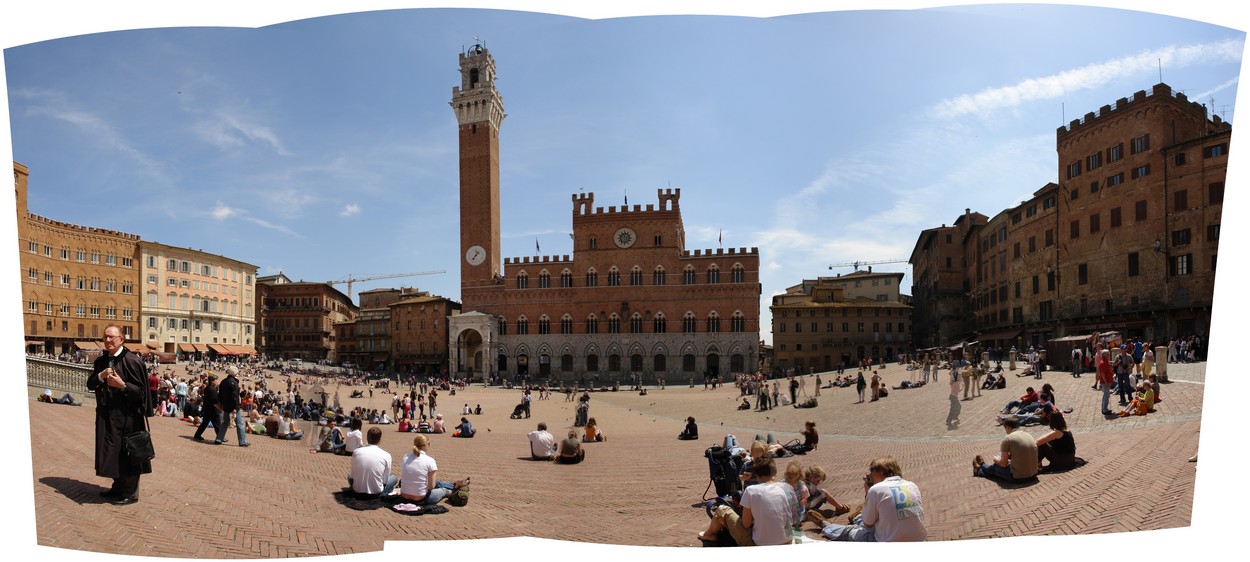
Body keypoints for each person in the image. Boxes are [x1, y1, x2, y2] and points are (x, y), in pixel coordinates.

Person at [86, 325, 152, 505]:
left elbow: (143, 394)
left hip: (128, 418)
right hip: (107, 416)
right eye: (105, 337)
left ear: (121, 340)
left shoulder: (132, 361)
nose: (108, 340)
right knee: (112, 453)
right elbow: (90, 384)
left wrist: (123, 385)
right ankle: (118, 487)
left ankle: (130, 493)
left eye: (112, 337)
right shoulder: (100, 362)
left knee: (128, 455)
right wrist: (100, 376)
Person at [808, 456, 927, 542]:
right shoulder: (912, 485)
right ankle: (857, 515)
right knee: (876, 519)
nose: (870, 475)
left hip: (887, 541)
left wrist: (868, 492)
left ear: (881, 471)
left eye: (872, 471)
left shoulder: (876, 489)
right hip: (918, 540)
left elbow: (868, 524)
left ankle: (826, 525)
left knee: (851, 531)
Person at [698, 456, 798, 546]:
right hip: (787, 542)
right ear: (774, 473)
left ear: (756, 475)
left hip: (759, 545)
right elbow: (792, 517)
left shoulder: (751, 490)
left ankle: (709, 535)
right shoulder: (784, 489)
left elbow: (746, 524)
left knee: (722, 510)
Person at [398, 434, 468, 505]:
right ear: (426, 445)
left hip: (404, 495)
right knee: (444, 490)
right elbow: (431, 487)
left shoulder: (406, 456)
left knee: (435, 482)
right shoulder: (430, 460)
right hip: (421, 498)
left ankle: (455, 484)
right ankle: (455, 487)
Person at [974, 417, 1038, 482]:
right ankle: (981, 470)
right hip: (1034, 474)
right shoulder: (1028, 435)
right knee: (998, 468)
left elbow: (1003, 464)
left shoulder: (1008, 439)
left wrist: (996, 460)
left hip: (1018, 477)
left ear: (1007, 427)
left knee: (994, 467)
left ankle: (982, 467)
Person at [347, 428, 397, 498]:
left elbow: (353, 473)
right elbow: (385, 481)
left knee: (350, 476)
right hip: (376, 493)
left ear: (367, 438)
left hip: (357, 490)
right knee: (394, 478)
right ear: (379, 440)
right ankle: (383, 492)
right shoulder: (386, 455)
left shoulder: (356, 452)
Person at [217, 366, 247, 447]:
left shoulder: (223, 382)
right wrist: (235, 407)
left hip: (226, 405)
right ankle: (242, 441)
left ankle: (219, 439)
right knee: (239, 424)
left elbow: (220, 395)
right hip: (233, 406)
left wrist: (222, 404)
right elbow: (234, 397)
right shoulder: (233, 382)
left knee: (225, 423)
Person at [192, 374, 220, 442]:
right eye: (216, 380)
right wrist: (220, 408)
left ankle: (197, 435)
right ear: (212, 381)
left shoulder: (207, 388)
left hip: (207, 408)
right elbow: (214, 401)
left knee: (205, 423)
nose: (217, 382)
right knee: (217, 423)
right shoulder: (212, 389)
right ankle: (220, 437)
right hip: (212, 409)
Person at [1097, 350, 1115, 416]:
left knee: (1106, 395)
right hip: (1105, 382)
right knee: (1106, 395)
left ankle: (1104, 408)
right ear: (1104, 355)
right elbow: (1102, 374)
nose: (1109, 356)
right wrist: (1106, 382)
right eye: (1108, 354)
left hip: (1108, 381)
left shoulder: (1106, 362)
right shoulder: (1102, 363)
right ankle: (1105, 410)